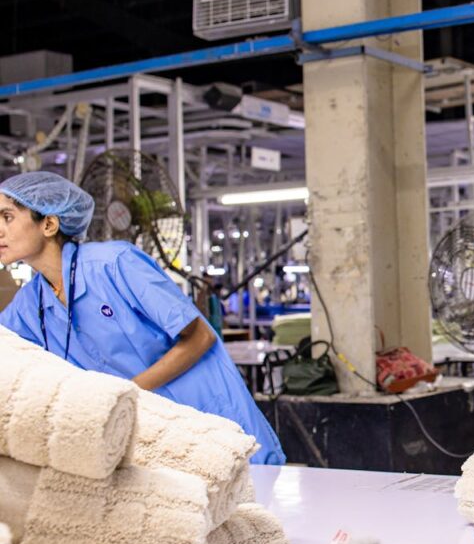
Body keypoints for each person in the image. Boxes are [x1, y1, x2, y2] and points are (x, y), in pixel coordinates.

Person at [0, 171, 285, 464]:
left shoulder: (115, 264)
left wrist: (124, 393)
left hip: (212, 421)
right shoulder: (31, 302)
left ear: (48, 223)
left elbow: (201, 336)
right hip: (155, 443)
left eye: (7, 216)